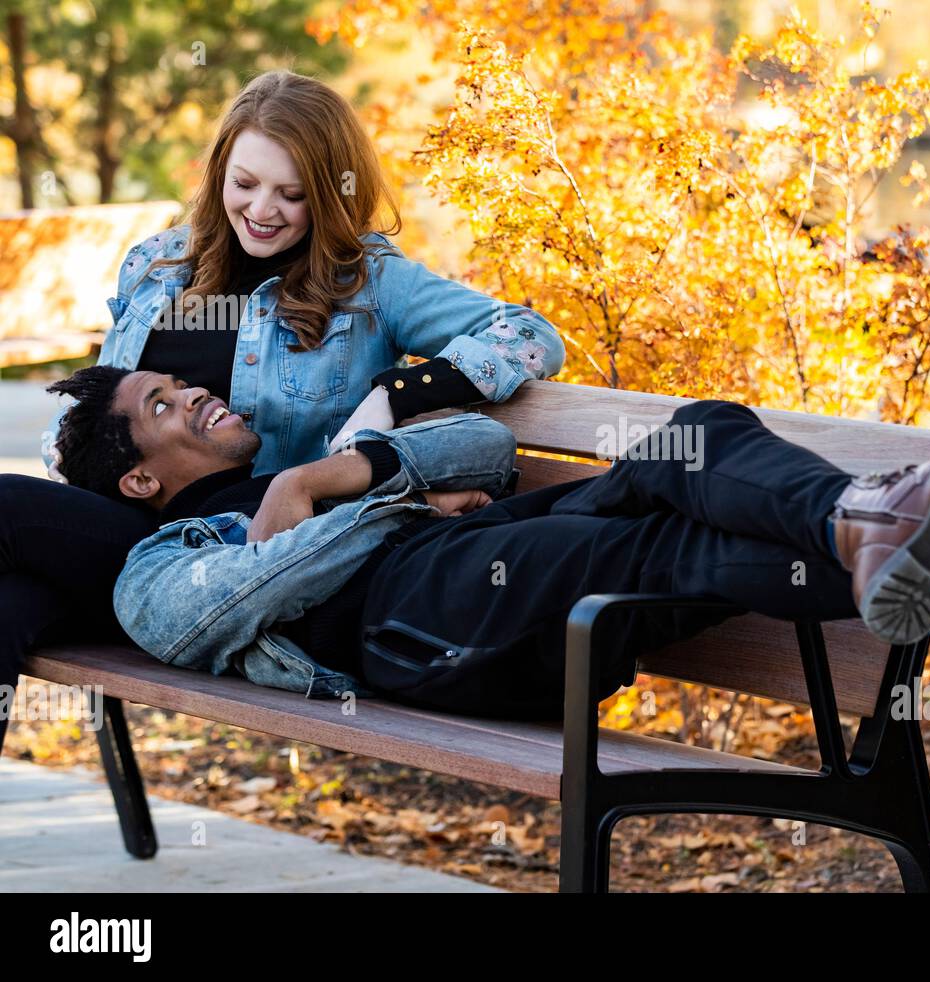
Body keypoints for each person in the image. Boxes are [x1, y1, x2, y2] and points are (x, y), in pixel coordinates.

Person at [47, 355, 930, 722]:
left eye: (183, 382)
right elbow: (222, 609)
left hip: (475, 565)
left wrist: (326, 472)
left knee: (693, 444)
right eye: (160, 403)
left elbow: (472, 445)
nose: (191, 392)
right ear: (139, 475)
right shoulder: (161, 561)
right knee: (639, 548)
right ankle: (927, 537)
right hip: (413, 633)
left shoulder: (305, 465)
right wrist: (381, 510)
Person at [0, 69, 564, 749]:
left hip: (228, 558)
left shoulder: (372, 283)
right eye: (245, 183)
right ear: (218, 174)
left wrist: (397, 393)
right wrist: (68, 446)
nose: (262, 210)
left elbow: (529, 335)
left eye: (291, 194)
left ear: (329, 192)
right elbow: (101, 404)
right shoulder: (156, 264)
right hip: (123, 542)